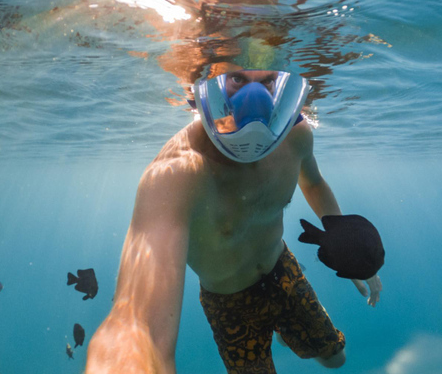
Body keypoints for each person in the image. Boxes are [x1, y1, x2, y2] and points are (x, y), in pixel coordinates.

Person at [85, 69, 383, 374]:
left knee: (336, 360)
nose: (255, 97)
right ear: (208, 85)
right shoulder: (175, 174)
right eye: (237, 78)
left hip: (283, 271)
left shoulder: (296, 136)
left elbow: (314, 183)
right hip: (229, 304)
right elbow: (137, 323)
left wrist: (349, 250)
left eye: (268, 80)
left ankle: (283, 331)